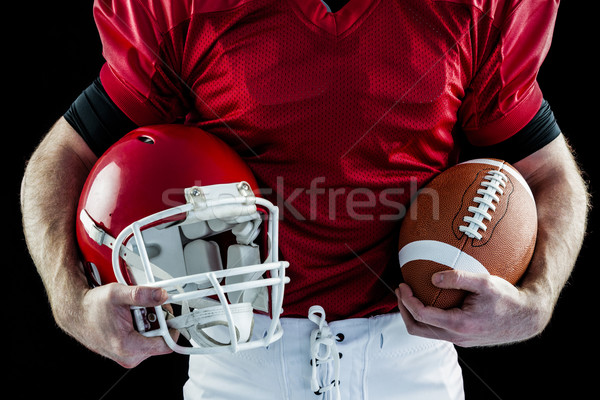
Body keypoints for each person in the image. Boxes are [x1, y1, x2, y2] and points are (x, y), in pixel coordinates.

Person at [20, 0, 588, 399]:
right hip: (236, 361)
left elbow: (550, 174)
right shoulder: (184, 7)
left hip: (413, 361)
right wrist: (71, 306)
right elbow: (61, 158)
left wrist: (536, 302)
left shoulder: (471, 8)